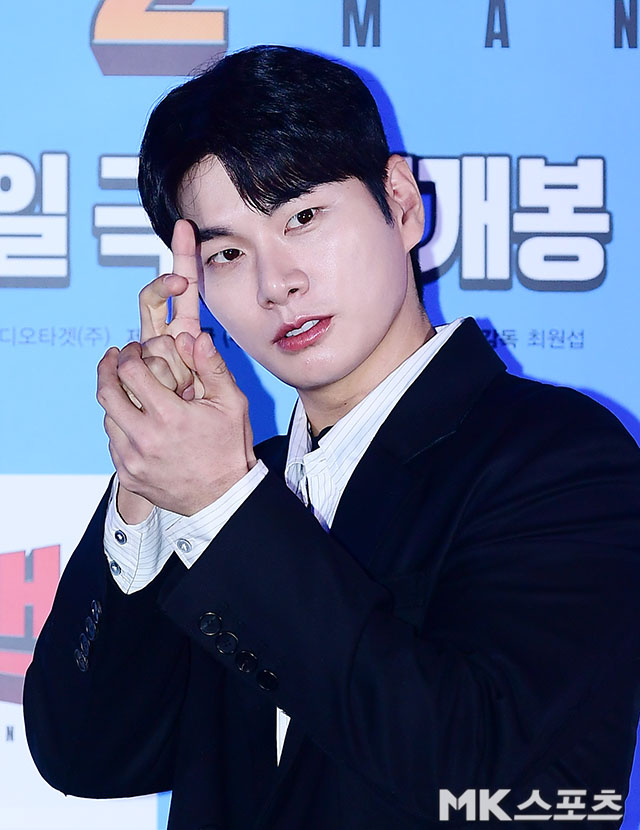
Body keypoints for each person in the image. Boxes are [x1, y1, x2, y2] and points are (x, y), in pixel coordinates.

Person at [23, 45, 640, 829]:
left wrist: (221, 503)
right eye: (227, 253)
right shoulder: (231, 489)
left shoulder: (563, 457)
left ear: (402, 204)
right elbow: (87, 754)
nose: (276, 283)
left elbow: (505, 792)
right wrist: (150, 487)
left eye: (303, 218)